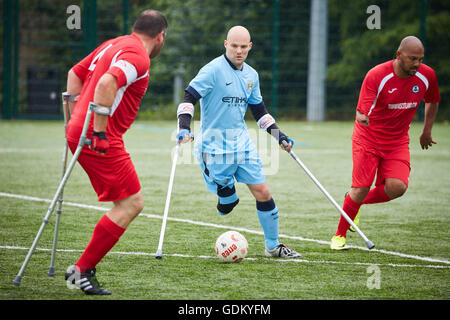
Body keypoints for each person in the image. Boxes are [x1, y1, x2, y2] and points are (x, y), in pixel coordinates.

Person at [63, 10, 167, 294]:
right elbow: (107, 82)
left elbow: (75, 73)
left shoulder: (115, 43)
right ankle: (81, 270)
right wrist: (96, 131)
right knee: (131, 204)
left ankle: (82, 269)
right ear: (160, 36)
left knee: (129, 202)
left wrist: (76, 120)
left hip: (82, 132)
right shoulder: (139, 56)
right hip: (101, 137)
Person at [176, 26, 301, 259]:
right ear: (226, 44)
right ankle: (226, 195)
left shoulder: (251, 75)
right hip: (213, 149)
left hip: (243, 145)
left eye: (244, 47)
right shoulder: (212, 70)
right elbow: (188, 98)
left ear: (250, 47)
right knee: (228, 205)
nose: (239, 51)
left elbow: (259, 112)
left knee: (263, 191)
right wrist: (183, 127)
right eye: (234, 46)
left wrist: (278, 135)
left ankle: (273, 247)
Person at [330, 36, 441, 250]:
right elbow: (362, 110)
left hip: (397, 141)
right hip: (368, 138)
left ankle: (354, 203)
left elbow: (433, 100)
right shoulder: (377, 75)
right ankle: (340, 234)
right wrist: (363, 116)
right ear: (398, 55)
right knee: (361, 188)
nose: (417, 64)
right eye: (412, 59)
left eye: (420, 59)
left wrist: (426, 131)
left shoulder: (427, 76)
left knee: (397, 187)